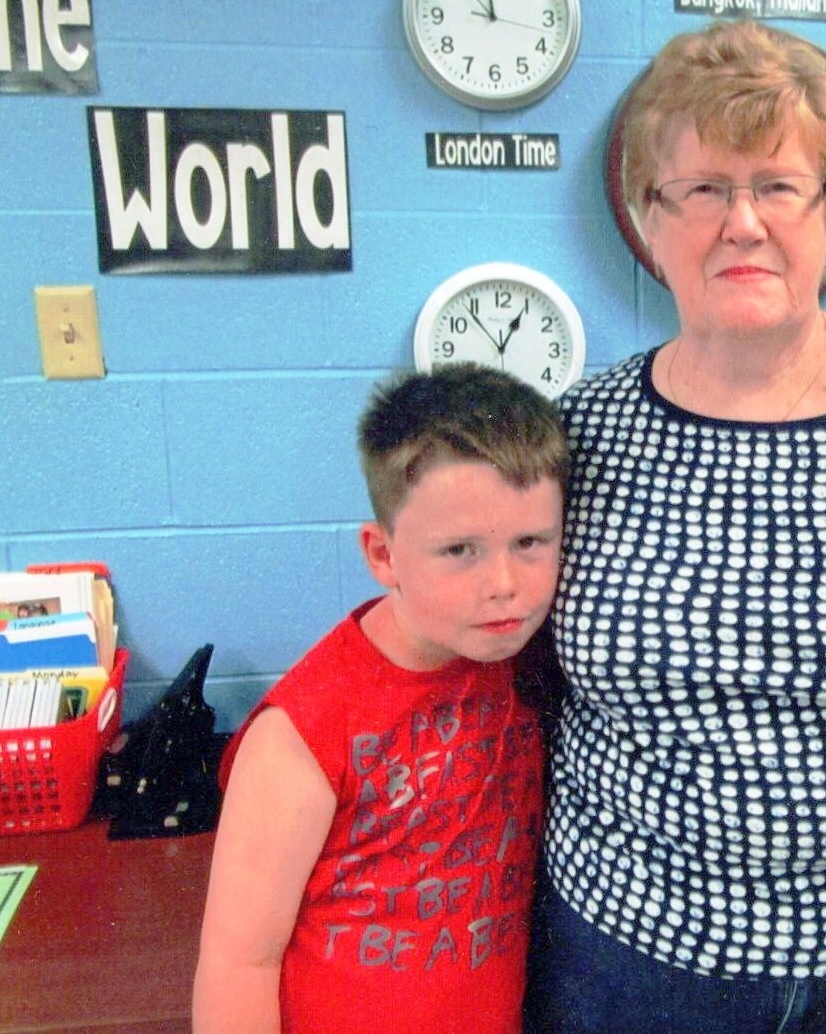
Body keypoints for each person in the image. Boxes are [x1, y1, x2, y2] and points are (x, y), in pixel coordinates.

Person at [526, 20, 826, 1033]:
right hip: (628, 963)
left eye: (778, 185)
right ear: (648, 219)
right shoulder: (581, 431)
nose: (741, 224)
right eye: (701, 189)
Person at [194, 364, 566, 1033]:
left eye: (530, 543)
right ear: (382, 554)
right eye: (460, 550)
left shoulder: (529, 663)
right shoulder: (300, 733)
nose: (504, 583)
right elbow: (238, 965)